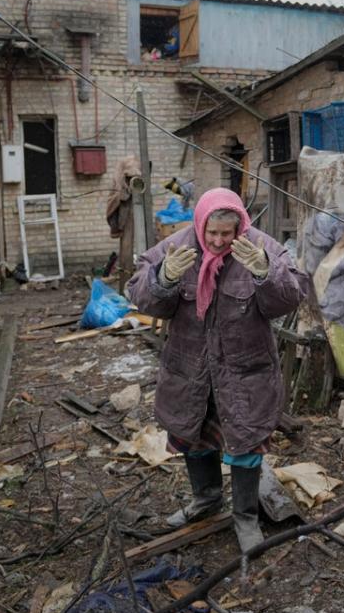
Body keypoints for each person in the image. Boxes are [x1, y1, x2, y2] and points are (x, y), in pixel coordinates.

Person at [125, 188, 309, 552]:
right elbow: (141, 296)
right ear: (201, 223)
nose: (219, 241)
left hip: (244, 371)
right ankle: (206, 500)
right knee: (192, 436)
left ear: (240, 224)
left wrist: (264, 271)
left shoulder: (260, 246)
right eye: (212, 233)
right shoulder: (177, 247)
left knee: (245, 442)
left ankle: (245, 517)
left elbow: (292, 297)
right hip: (191, 369)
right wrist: (162, 278)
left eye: (228, 233)